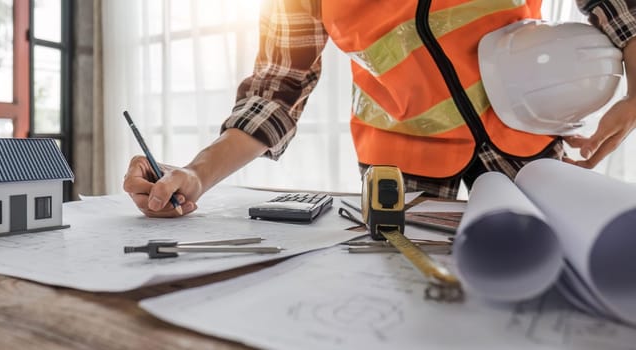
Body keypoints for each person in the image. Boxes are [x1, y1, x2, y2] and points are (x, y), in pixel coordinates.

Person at [123, 0, 636, 218]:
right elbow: (278, 87)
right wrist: (195, 172)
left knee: (553, 271)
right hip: (398, 159)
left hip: (524, 130)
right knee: (407, 290)